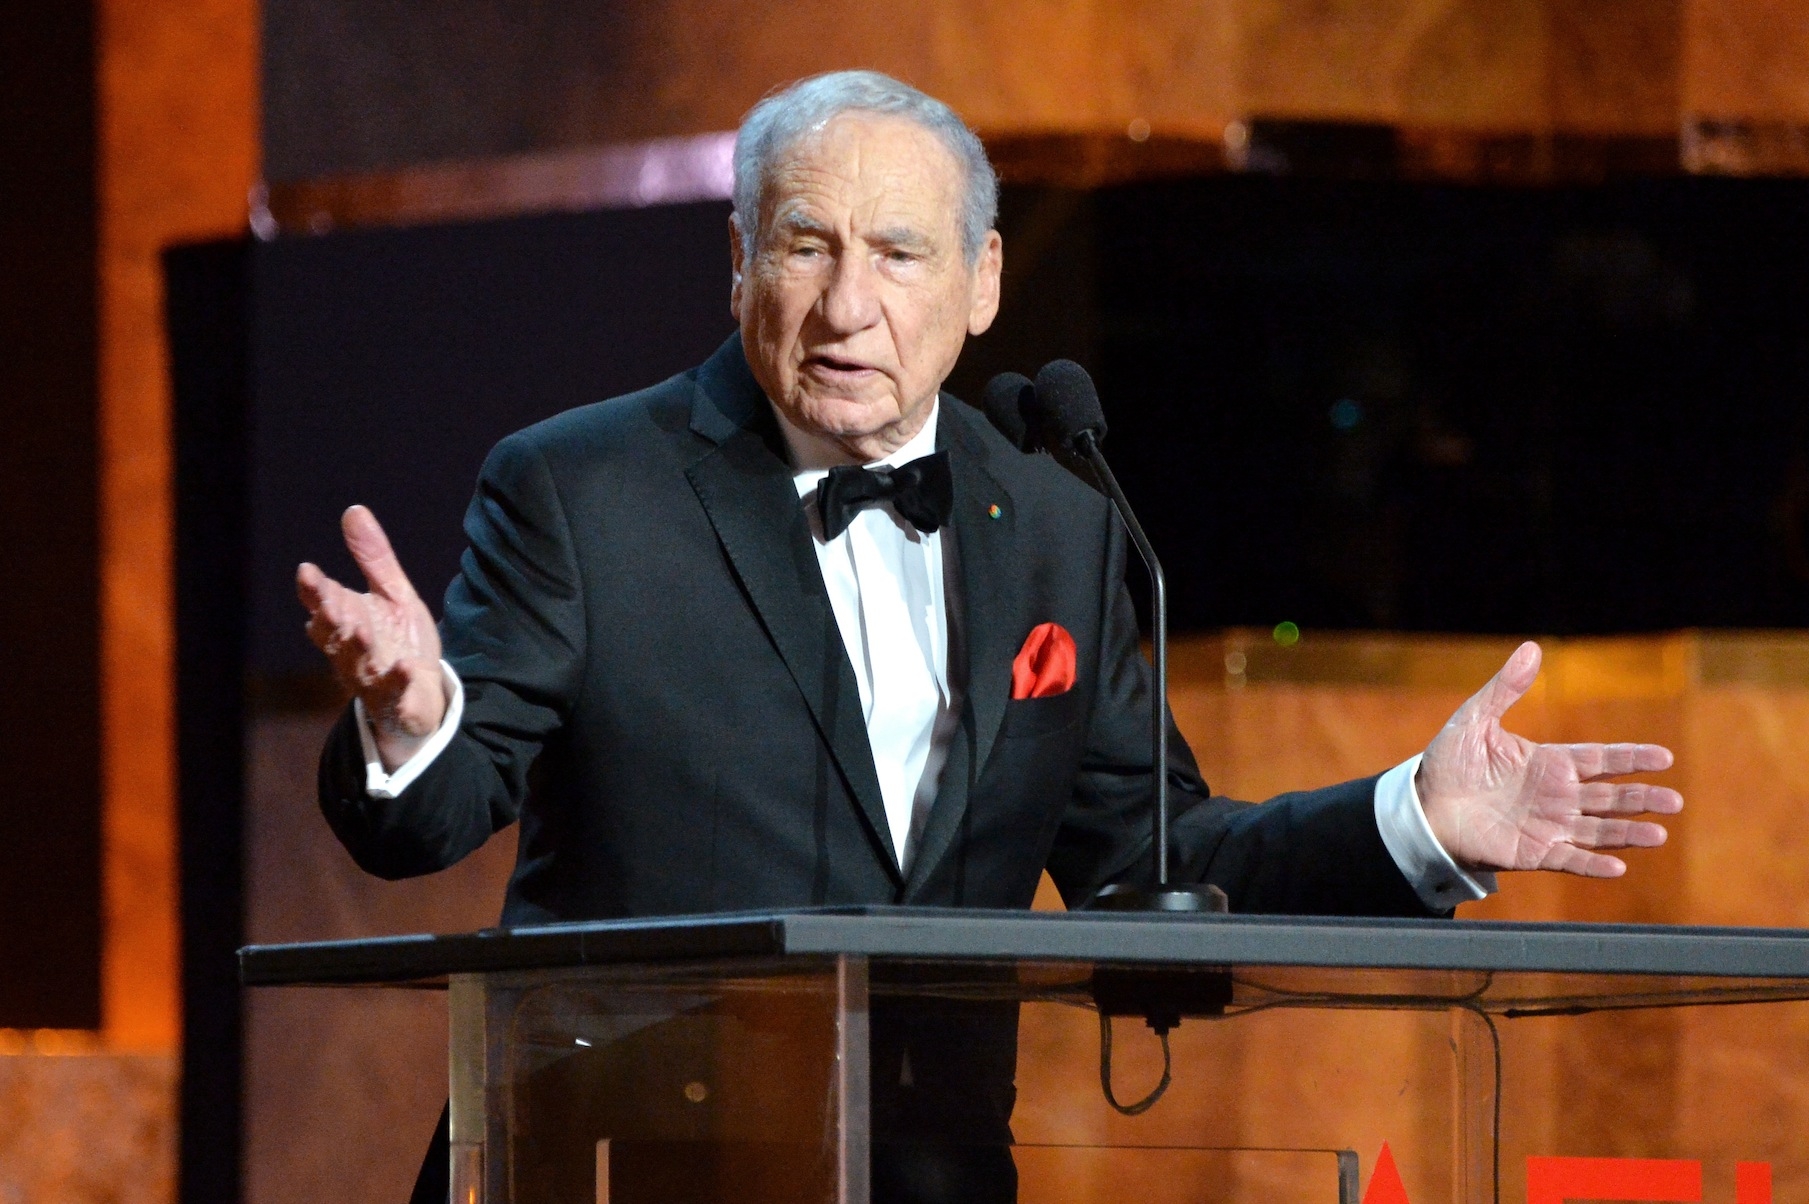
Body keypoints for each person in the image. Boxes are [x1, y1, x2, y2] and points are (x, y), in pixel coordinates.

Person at [295, 71, 1681, 1203]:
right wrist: (414, 726)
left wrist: (1411, 824)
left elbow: (1160, 865)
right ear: (737, 265)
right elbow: (430, 818)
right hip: (616, 1174)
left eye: (898, 253)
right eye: (804, 246)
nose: (848, 308)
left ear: (981, 282)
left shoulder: (1059, 532)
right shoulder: (581, 489)